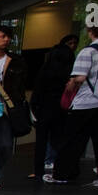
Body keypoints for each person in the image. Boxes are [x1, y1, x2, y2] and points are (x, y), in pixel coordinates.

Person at [49, 16, 98, 187]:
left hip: (87, 102)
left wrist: (71, 84)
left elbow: (80, 77)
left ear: (91, 31)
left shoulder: (88, 51)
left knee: (73, 140)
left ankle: (63, 174)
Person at [0, 25, 28, 191]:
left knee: (6, 146)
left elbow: (22, 84)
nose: (6, 39)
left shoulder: (16, 61)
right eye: (2, 36)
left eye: (8, 36)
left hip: (8, 109)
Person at [29, 34, 77, 179]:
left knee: (41, 141)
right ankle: (64, 169)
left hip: (44, 108)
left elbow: (37, 91)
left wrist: (35, 108)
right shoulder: (71, 73)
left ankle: (39, 171)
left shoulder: (46, 70)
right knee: (61, 140)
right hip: (63, 109)